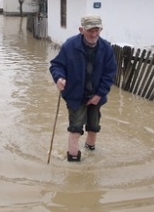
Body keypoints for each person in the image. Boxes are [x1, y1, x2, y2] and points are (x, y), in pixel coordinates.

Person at [49, 14, 117, 162]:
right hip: (75, 94)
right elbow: (57, 65)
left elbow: (110, 73)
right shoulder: (70, 45)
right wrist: (59, 78)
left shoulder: (106, 48)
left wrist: (99, 94)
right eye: (90, 30)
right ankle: (73, 161)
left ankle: (90, 153)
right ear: (81, 30)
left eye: (97, 30)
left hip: (96, 95)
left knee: (94, 125)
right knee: (75, 127)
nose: (94, 34)